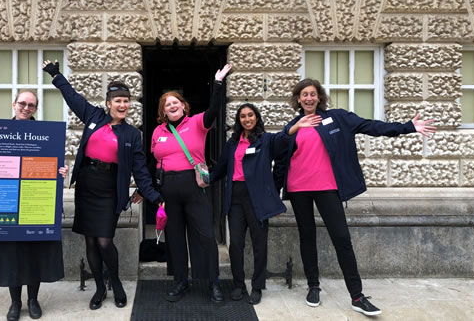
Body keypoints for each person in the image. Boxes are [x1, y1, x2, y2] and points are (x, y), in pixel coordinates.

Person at [274, 78, 436, 317]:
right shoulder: (293, 125)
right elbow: (278, 154)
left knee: (342, 238)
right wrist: (293, 131)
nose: (308, 98)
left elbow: (370, 126)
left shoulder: (337, 118)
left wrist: (407, 127)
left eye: (313, 94)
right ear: (298, 99)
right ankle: (313, 286)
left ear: (319, 98)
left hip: (327, 187)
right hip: (299, 189)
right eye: (304, 95)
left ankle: (357, 296)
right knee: (307, 237)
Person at [42, 60, 163, 310]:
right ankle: (99, 286)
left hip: (110, 188)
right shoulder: (93, 116)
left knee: (105, 241)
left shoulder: (132, 135)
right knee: (90, 241)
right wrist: (56, 75)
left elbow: (140, 170)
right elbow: (73, 98)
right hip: (87, 184)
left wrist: (155, 196)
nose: (123, 105)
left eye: (126, 101)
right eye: (118, 101)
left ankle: (115, 282)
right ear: (108, 103)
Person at [0, 90, 67, 321]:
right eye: (22, 103)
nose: (26, 108)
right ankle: (15, 302)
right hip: (7, 202)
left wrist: (61, 172)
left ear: (36, 109)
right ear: (13, 104)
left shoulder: (46, 135)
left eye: (31, 105)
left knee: (35, 254)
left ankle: (33, 300)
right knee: (10, 254)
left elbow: (50, 167)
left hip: (35, 203)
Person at [211, 103, 319, 305]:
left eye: (250, 115)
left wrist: (295, 127)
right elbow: (221, 168)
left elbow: (283, 140)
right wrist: (206, 178)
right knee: (235, 244)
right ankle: (238, 284)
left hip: (257, 197)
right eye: (243, 116)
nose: (247, 119)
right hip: (235, 196)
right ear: (238, 120)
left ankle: (257, 286)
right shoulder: (232, 142)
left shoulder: (266, 140)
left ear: (257, 117)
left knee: (260, 244)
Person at [151, 63, 231, 303]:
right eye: (167, 104)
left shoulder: (197, 123)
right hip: (168, 188)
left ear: (184, 106)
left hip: (193, 186)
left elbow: (214, 110)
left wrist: (217, 85)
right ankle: (180, 281)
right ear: (163, 111)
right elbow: (155, 158)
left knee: (205, 235)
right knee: (174, 237)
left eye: (176, 102)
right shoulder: (157, 131)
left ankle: (213, 282)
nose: (172, 105)